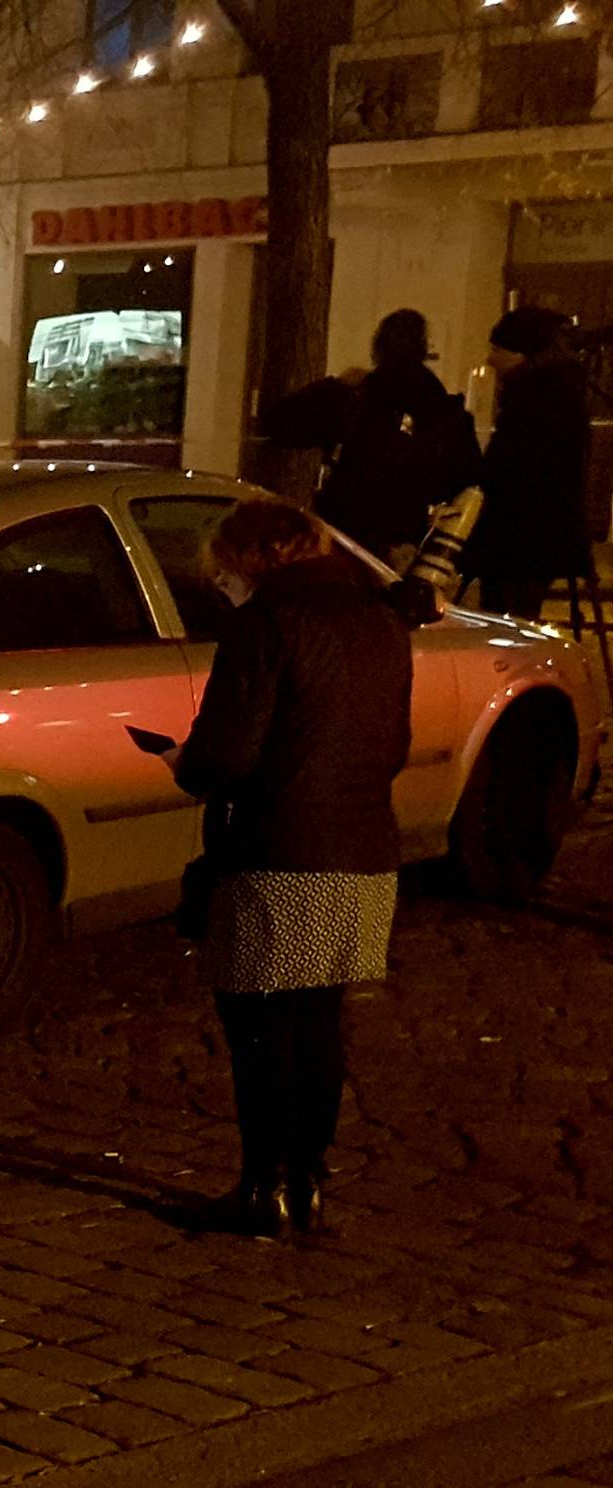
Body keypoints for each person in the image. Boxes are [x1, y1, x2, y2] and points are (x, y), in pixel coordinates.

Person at [166, 501, 414, 1239]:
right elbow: (391, 740)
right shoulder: (381, 621)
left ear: (249, 562)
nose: (223, 586)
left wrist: (188, 763)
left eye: (224, 574)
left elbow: (229, 753)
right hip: (365, 849)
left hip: (281, 850)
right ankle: (308, 1179)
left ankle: (263, 1185)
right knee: (318, 1020)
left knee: (261, 1025)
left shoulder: (266, 625)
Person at [260, 308, 482, 566]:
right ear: (423, 349)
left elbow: (280, 423)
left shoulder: (355, 396)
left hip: (344, 530)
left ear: (378, 347)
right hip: (407, 537)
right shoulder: (443, 408)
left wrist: (333, 386)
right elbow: (467, 481)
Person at [468, 306, 593, 621]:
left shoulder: (531, 401)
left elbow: (509, 469)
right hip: (547, 536)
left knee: (505, 618)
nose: (490, 359)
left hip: (519, 539)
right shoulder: (556, 394)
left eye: (497, 349)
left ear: (520, 353)